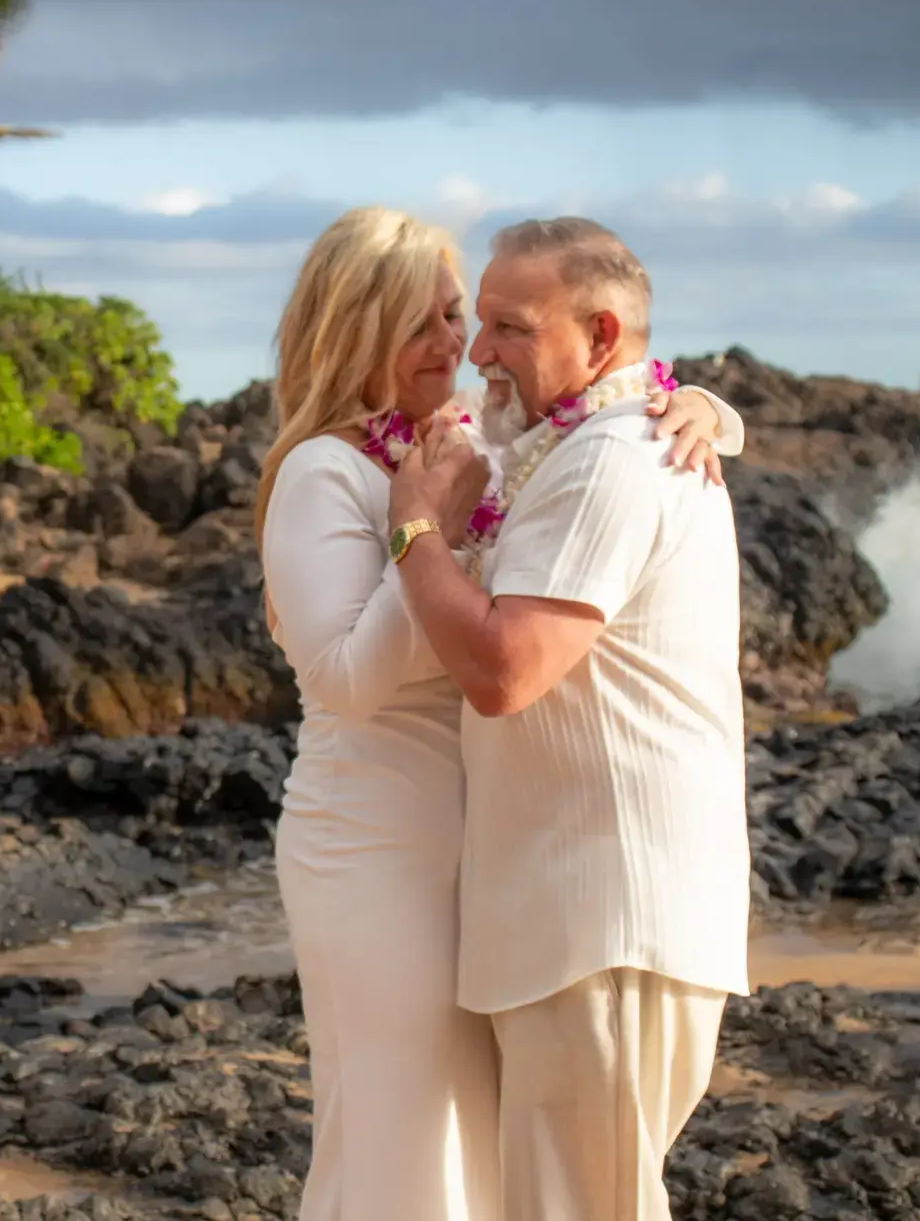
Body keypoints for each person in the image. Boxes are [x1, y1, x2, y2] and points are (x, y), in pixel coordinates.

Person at [257, 206, 742, 1221]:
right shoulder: (326, 470)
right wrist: (414, 528)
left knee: (483, 1156)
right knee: (400, 1136)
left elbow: (605, 425)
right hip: (378, 838)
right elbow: (346, 677)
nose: (459, 348)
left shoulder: (466, 443)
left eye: (459, 317)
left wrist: (701, 404)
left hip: (495, 858)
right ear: (355, 333)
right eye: (425, 324)